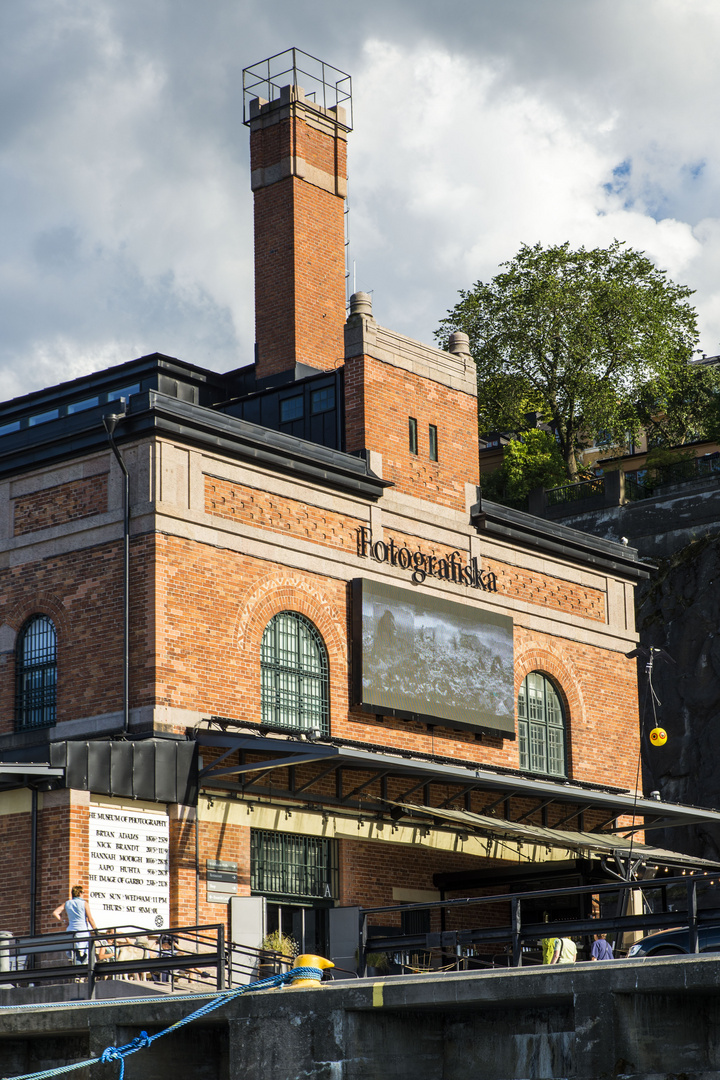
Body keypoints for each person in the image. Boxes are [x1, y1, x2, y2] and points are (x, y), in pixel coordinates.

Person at [53, 885, 97, 965]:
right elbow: (90, 918)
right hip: (82, 930)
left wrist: (63, 921)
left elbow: (55, 912)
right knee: (84, 952)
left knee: (74, 952)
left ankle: (77, 971)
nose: (83, 894)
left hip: (71, 930)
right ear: (79, 893)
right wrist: (96, 930)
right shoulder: (84, 903)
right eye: (83, 892)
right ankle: (81, 972)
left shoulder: (67, 903)